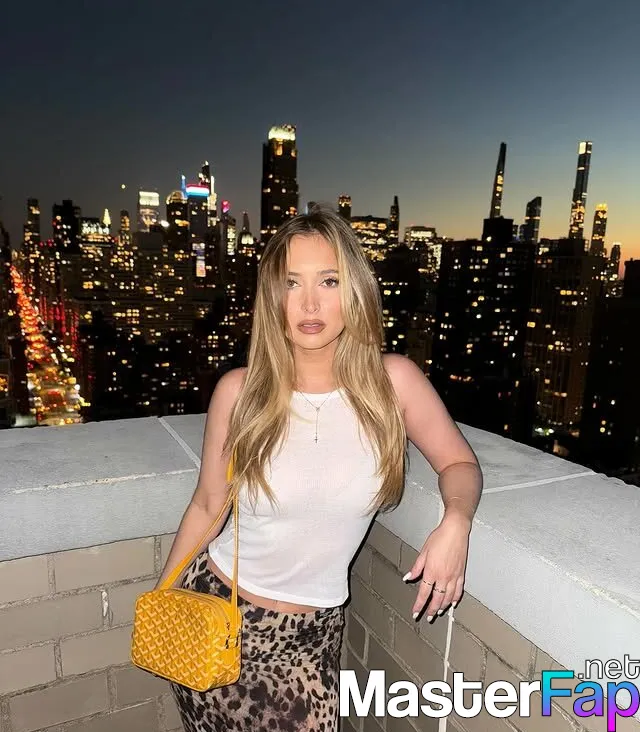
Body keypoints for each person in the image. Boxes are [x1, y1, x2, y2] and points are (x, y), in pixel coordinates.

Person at [159, 204, 482, 731]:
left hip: (308, 642)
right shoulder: (240, 393)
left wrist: (456, 522)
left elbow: (459, 463)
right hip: (215, 617)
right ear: (273, 297)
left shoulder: (393, 383)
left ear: (354, 291)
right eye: (292, 283)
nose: (310, 303)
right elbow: (207, 504)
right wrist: (163, 597)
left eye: (328, 281)